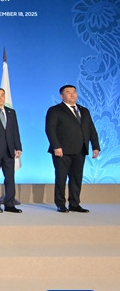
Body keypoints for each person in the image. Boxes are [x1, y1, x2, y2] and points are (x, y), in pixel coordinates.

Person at [45, 84, 100, 213]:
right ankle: (60, 204)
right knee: (61, 178)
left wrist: (95, 146)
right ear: (62, 96)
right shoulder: (55, 110)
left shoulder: (84, 110)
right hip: (62, 151)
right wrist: (56, 146)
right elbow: (50, 129)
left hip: (80, 149)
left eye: (74, 92)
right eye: (68, 92)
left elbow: (91, 129)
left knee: (76, 178)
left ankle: (74, 204)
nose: (72, 94)